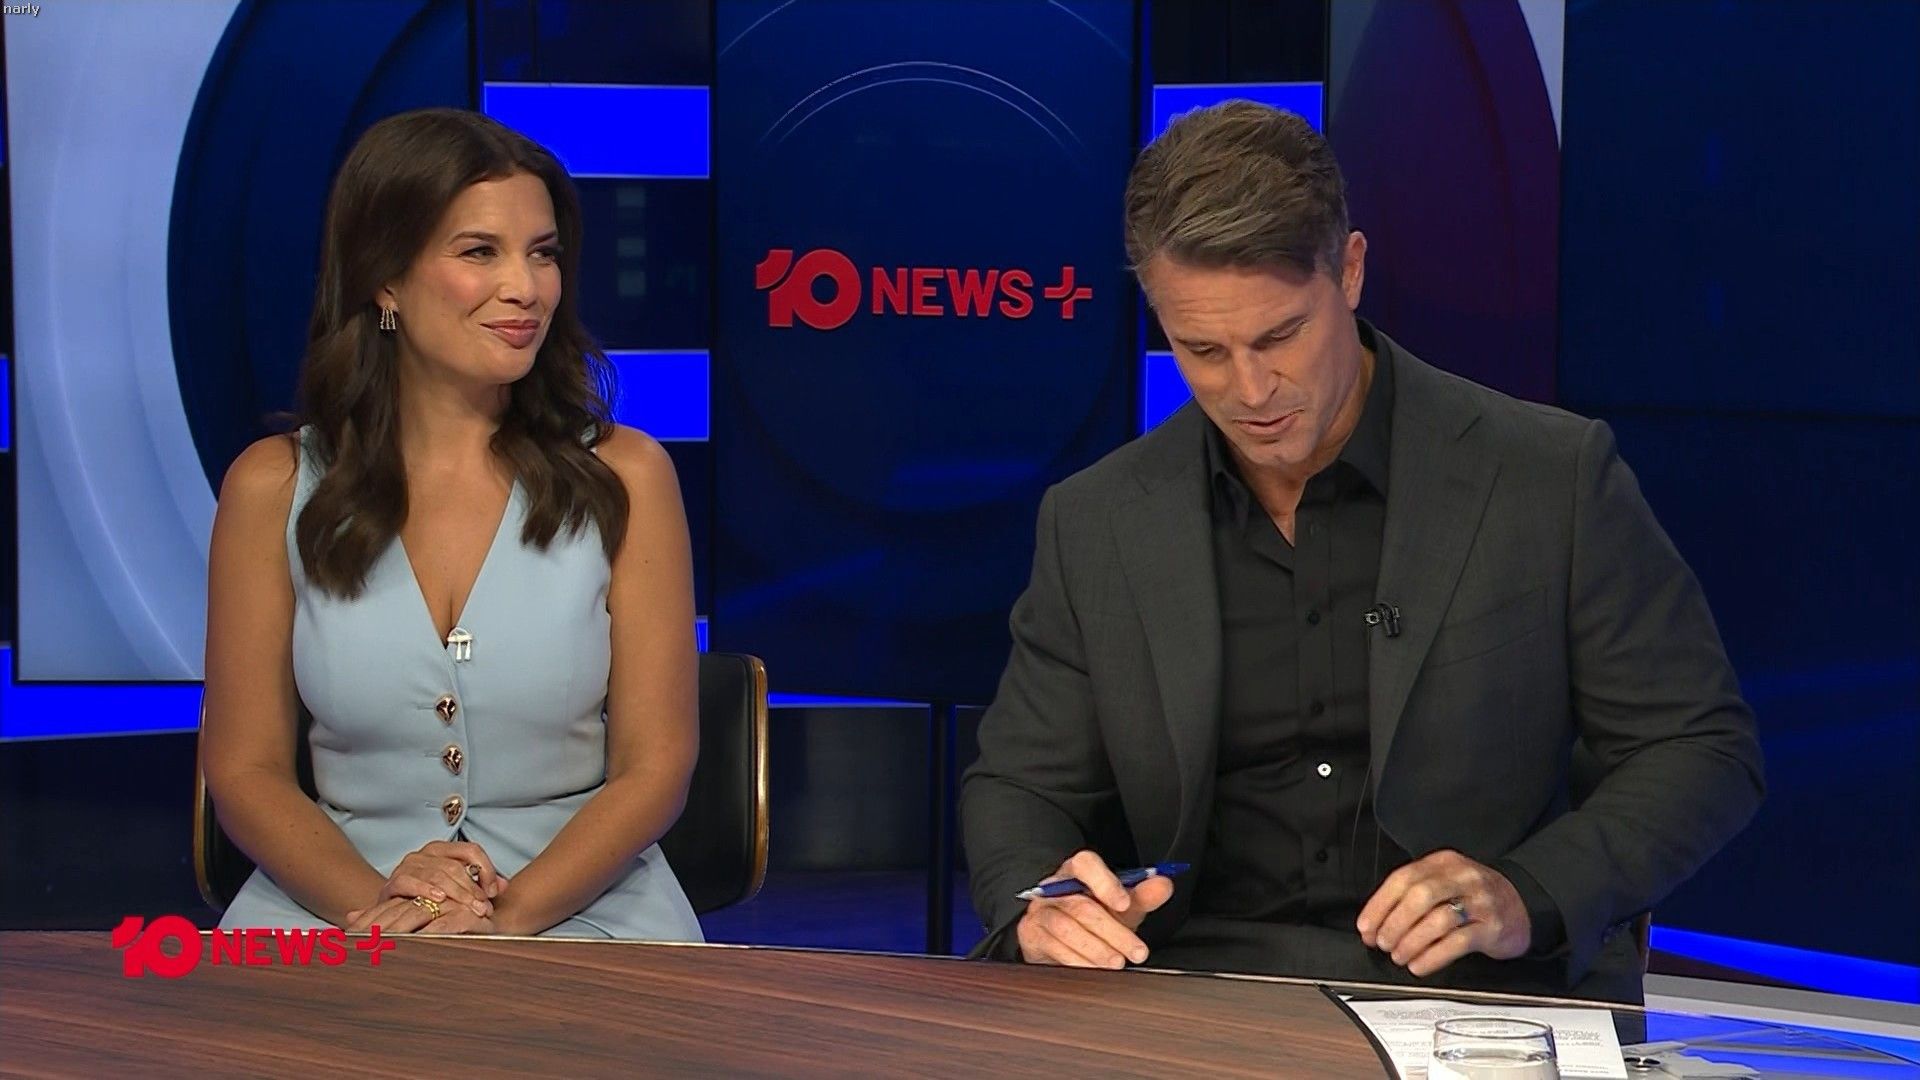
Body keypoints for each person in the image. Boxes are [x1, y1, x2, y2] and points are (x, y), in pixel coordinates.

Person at [959, 101, 1764, 1002]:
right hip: (1190, 990)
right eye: (1202, 349)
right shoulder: (1097, 519)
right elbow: (1020, 787)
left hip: (1477, 996)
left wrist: (1528, 893)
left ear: (1349, 271)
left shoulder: (1550, 477)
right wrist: (1041, 904)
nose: (1250, 390)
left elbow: (1700, 749)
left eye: (1279, 337)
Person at [203, 108, 702, 941]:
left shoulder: (629, 476)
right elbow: (244, 771)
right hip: (340, 900)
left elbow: (657, 769)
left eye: (543, 253)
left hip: (580, 903)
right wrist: (381, 910)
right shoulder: (272, 487)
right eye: (480, 252)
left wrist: (501, 923)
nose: (526, 288)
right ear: (386, 279)